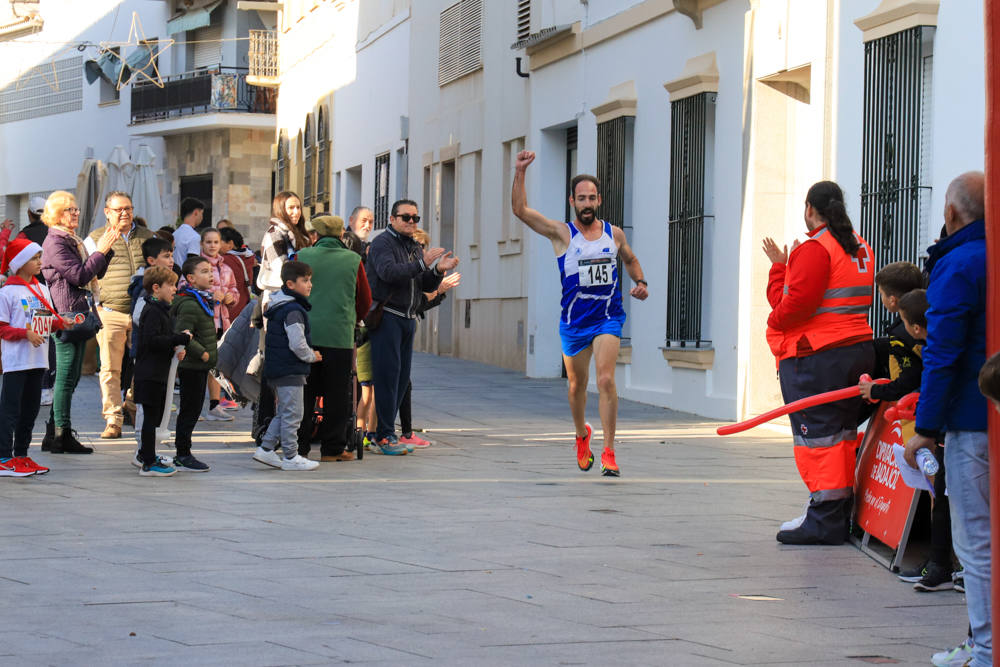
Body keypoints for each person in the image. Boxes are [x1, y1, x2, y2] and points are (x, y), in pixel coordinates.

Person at [512, 151, 648, 477]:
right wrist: (519, 172)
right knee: (576, 386)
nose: (586, 204)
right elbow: (520, 210)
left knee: (605, 379)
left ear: (599, 200)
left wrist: (640, 281)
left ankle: (610, 452)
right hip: (574, 322)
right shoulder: (561, 234)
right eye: (581, 198)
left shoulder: (614, 234)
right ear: (571, 201)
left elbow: (629, 259)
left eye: (591, 198)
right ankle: (581, 434)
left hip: (607, 317)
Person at [904, 172, 990, 667]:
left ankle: (985, 648)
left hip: (971, 419)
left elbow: (943, 352)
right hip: (986, 408)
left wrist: (926, 427)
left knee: (975, 542)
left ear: (952, 214)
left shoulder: (958, 263)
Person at [762, 180, 875, 545]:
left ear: (810, 208)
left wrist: (779, 274)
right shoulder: (860, 246)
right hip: (855, 351)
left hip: (818, 358)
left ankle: (825, 519)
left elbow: (792, 307)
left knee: (819, 441)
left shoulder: (815, 249)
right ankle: (836, 512)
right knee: (841, 436)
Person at [366, 200, 458, 455]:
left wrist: (437, 270)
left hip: (407, 318)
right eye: (406, 217)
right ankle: (383, 436)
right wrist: (422, 262)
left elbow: (423, 283)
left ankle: (384, 433)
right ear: (392, 219)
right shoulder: (383, 243)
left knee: (400, 379)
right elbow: (388, 273)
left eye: (415, 218)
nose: (411, 222)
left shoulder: (413, 246)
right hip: (388, 317)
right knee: (387, 378)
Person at [41, 191, 121, 454]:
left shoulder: (71, 241)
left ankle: (54, 431)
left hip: (77, 312)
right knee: (65, 377)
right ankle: (61, 435)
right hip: (66, 315)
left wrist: (105, 252)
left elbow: (94, 271)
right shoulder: (56, 242)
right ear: (56, 215)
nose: (75, 213)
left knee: (72, 377)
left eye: (76, 209)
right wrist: (101, 250)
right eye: (69, 210)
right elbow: (79, 275)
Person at [296, 216, 372, 461]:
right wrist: (353, 319)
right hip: (339, 336)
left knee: (305, 392)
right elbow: (365, 300)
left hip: (306, 334)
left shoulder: (303, 256)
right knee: (337, 394)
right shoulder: (353, 260)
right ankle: (332, 449)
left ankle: (300, 446)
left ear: (316, 235)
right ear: (341, 235)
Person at [86, 191, 154, 439]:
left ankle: (133, 406)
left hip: (142, 311)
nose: (124, 213)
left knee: (141, 365)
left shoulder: (148, 236)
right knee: (110, 368)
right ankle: (113, 418)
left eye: (128, 208)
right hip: (111, 311)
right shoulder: (95, 238)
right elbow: (86, 273)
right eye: (119, 209)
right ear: (107, 212)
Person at [0, 239, 67, 476]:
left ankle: (22, 455)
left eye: (39, 257)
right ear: (19, 264)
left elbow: (44, 320)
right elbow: (2, 328)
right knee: (10, 409)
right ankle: (4, 457)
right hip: (16, 361)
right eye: (34, 259)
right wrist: (25, 334)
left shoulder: (41, 288)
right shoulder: (7, 292)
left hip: (38, 360)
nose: (39, 262)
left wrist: (61, 322)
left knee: (30, 410)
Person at [253, 192, 310, 446]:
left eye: (298, 207)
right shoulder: (275, 233)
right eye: (291, 207)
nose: (296, 212)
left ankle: (277, 431)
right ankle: (268, 425)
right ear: (280, 209)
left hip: (292, 301)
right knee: (278, 360)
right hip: (278, 301)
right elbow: (284, 270)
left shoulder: (298, 235)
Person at [252, 261, 321, 471]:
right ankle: (291, 456)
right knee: (293, 415)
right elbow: (297, 343)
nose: (310, 285)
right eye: (305, 281)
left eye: (310, 280)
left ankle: (266, 449)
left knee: (284, 412)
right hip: (290, 369)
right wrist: (312, 356)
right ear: (290, 284)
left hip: (280, 368)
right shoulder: (293, 310)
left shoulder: (282, 306)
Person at [396, 227, 461, 450]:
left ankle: (399, 430)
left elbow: (419, 303)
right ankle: (390, 431)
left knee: (403, 382)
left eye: (423, 247)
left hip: (405, 327)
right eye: (419, 247)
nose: (422, 251)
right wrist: (438, 290)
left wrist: (438, 290)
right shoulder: (405, 270)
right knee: (394, 383)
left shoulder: (416, 273)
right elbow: (415, 301)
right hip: (392, 329)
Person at [133, 266, 192, 477]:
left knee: (154, 418)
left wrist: (175, 348)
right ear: (156, 288)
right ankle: (148, 462)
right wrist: (178, 339)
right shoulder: (153, 311)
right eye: (171, 285)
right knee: (150, 419)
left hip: (156, 373)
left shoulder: (160, 310)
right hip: (149, 374)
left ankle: (148, 454)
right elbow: (153, 341)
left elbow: (162, 341)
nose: (175, 289)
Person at [169, 256, 218, 473]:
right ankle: (183, 453)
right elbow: (183, 333)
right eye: (204, 271)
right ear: (190, 278)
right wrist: (203, 353)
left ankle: (184, 451)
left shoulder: (202, 299)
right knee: (190, 409)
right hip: (192, 364)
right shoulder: (189, 303)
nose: (211, 275)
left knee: (193, 408)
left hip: (199, 365)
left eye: (211, 271)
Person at [200, 227, 238, 419]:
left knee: (216, 363)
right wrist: (209, 295)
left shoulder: (226, 268)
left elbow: (234, 290)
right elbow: (185, 288)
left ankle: (215, 404)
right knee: (201, 363)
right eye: (209, 242)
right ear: (202, 244)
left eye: (216, 242)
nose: (213, 246)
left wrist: (231, 298)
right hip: (203, 322)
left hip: (222, 322)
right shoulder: (195, 265)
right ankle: (197, 404)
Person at [220, 226, 257, 320]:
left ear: (230, 244)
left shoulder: (225, 260)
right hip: (245, 308)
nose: (214, 244)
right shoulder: (248, 257)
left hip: (229, 310)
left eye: (218, 241)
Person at [173, 198, 205, 268]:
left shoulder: (174, 234)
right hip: (185, 276)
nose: (202, 217)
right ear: (196, 212)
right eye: (202, 213)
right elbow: (193, 263)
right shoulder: (194, 237)